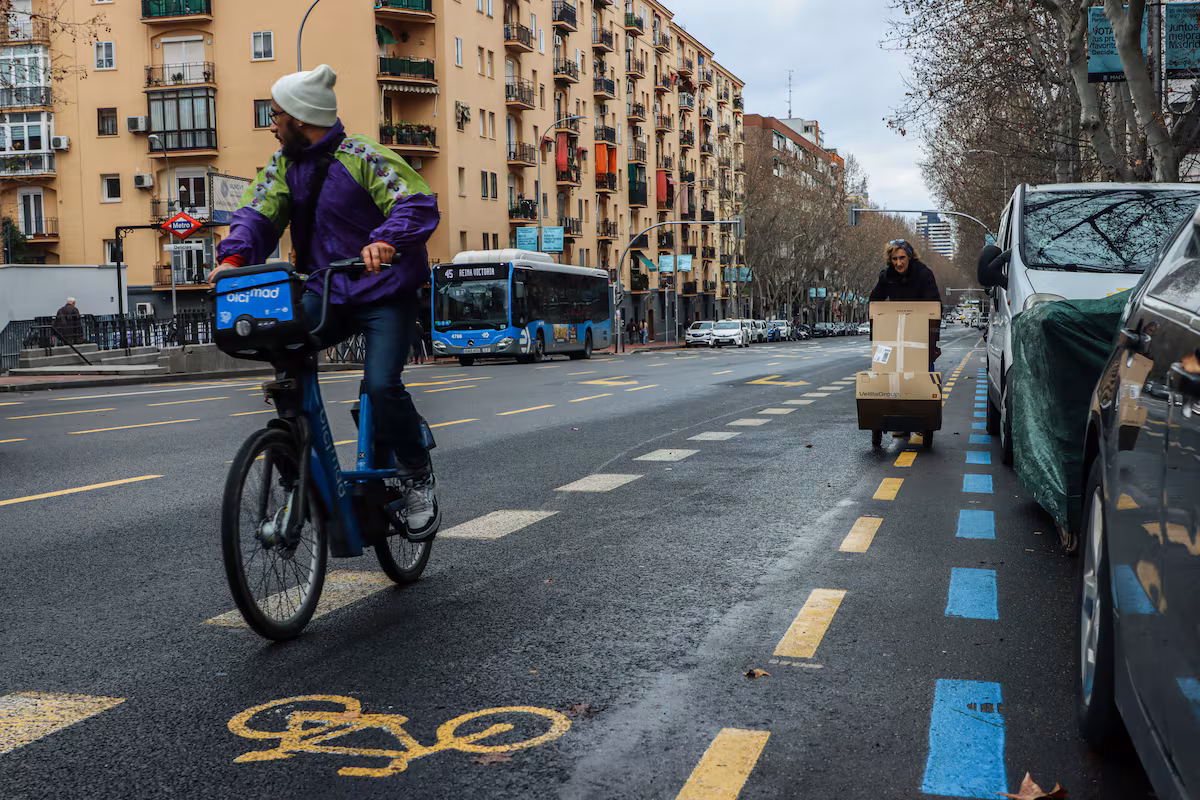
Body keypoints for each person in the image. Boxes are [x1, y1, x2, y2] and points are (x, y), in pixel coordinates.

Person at [209, 65, 442, 540]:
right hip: (327, 291)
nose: (271, 124)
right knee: (283, 352)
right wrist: (233, 257)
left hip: (385, 293)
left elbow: (415, 203)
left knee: (380, 384)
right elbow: (256, 215)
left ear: (299, 117)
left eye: (275, 115)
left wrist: (385, 242)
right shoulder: (282, 167)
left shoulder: (364, 157)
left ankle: (416, 474)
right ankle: (297, 464)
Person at [869, 238, 942, 437]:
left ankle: (921, 418)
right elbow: (875, 300)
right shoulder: (886, 276)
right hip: (893, 331)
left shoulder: (924, 273)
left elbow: (935, 305)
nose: (899, 263)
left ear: (910, 257)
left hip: (919, 331)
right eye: (894, 259)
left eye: (902, 258)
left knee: (921, 375)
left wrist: (932, 340)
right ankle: (897, 419)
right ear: (890, 260)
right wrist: (877, 335)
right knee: (887, 373)